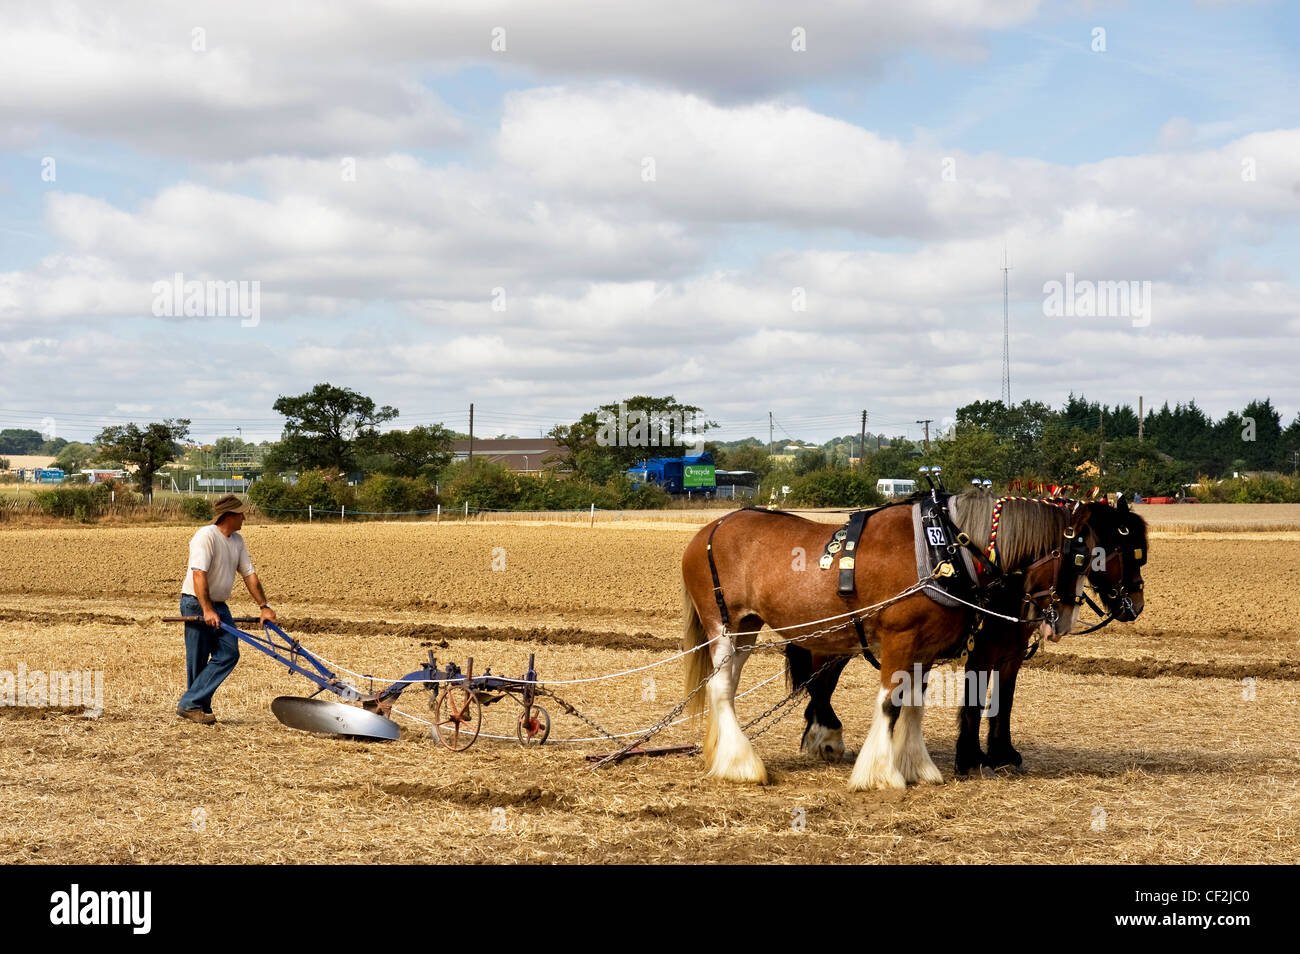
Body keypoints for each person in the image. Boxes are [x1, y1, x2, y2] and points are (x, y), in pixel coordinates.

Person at [177, 494, 276, 724]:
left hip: (220, 605)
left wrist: (264, 607)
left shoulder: (237, 541)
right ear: (229, 515)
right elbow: (198, 573)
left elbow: (249, 575)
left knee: (229, 653)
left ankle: (191, 703)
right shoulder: (205, 536)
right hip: (196, 602)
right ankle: (196, 706)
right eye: (241, 513)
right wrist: (207, 609)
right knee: (198, 659)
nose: (244, 517)